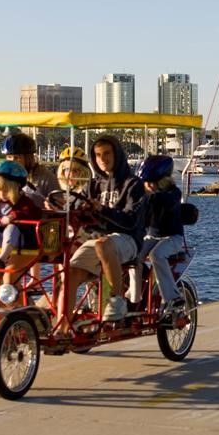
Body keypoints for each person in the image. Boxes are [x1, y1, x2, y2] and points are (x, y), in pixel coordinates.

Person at [65, 135, 146, 322]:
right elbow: (75, 207)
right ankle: (63, 327)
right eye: (98, 155)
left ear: (117, 154)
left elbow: (131, 220)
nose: (103, 159)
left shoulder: (133, 184)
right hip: (98, 240)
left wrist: (102, 210)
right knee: (70, 273)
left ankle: (117, 300)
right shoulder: (92, 186)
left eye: (107, 153)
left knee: (103, 244)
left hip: (128, 240)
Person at [134, 155, 186, 315]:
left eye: (151, 183)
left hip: (173, 238)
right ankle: (134, 297)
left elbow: (165, 201)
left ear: (161, 181)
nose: (148, 186)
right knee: (133, 255)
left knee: (156, 254)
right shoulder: (146, 196)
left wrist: (148, 197)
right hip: (152, 237)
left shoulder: (173, 193)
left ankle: (173, 297)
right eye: (146, 183)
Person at [1, 133, 59, 207]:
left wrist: (52, 206)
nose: (12, 161)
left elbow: (60, 208)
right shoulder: (2, 177)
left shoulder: (46, 179)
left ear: (28, 158)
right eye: (9, 157)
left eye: (17, 157)